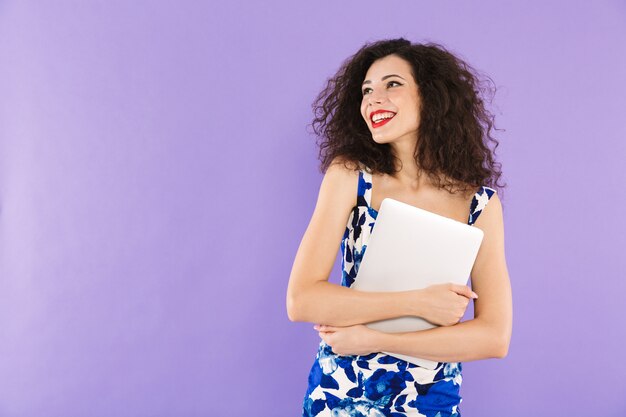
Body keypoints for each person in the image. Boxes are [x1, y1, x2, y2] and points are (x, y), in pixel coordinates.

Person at [286, 38, 513, 417]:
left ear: (432, 96)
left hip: (430, 401)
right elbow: (302, 300)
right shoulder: (350, 177)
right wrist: (417, 303)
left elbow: (494, 337)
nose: (374, 98)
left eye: (392, 84)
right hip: (342, 394)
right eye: (367, 90)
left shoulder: (481, 205)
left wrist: (373, 338)